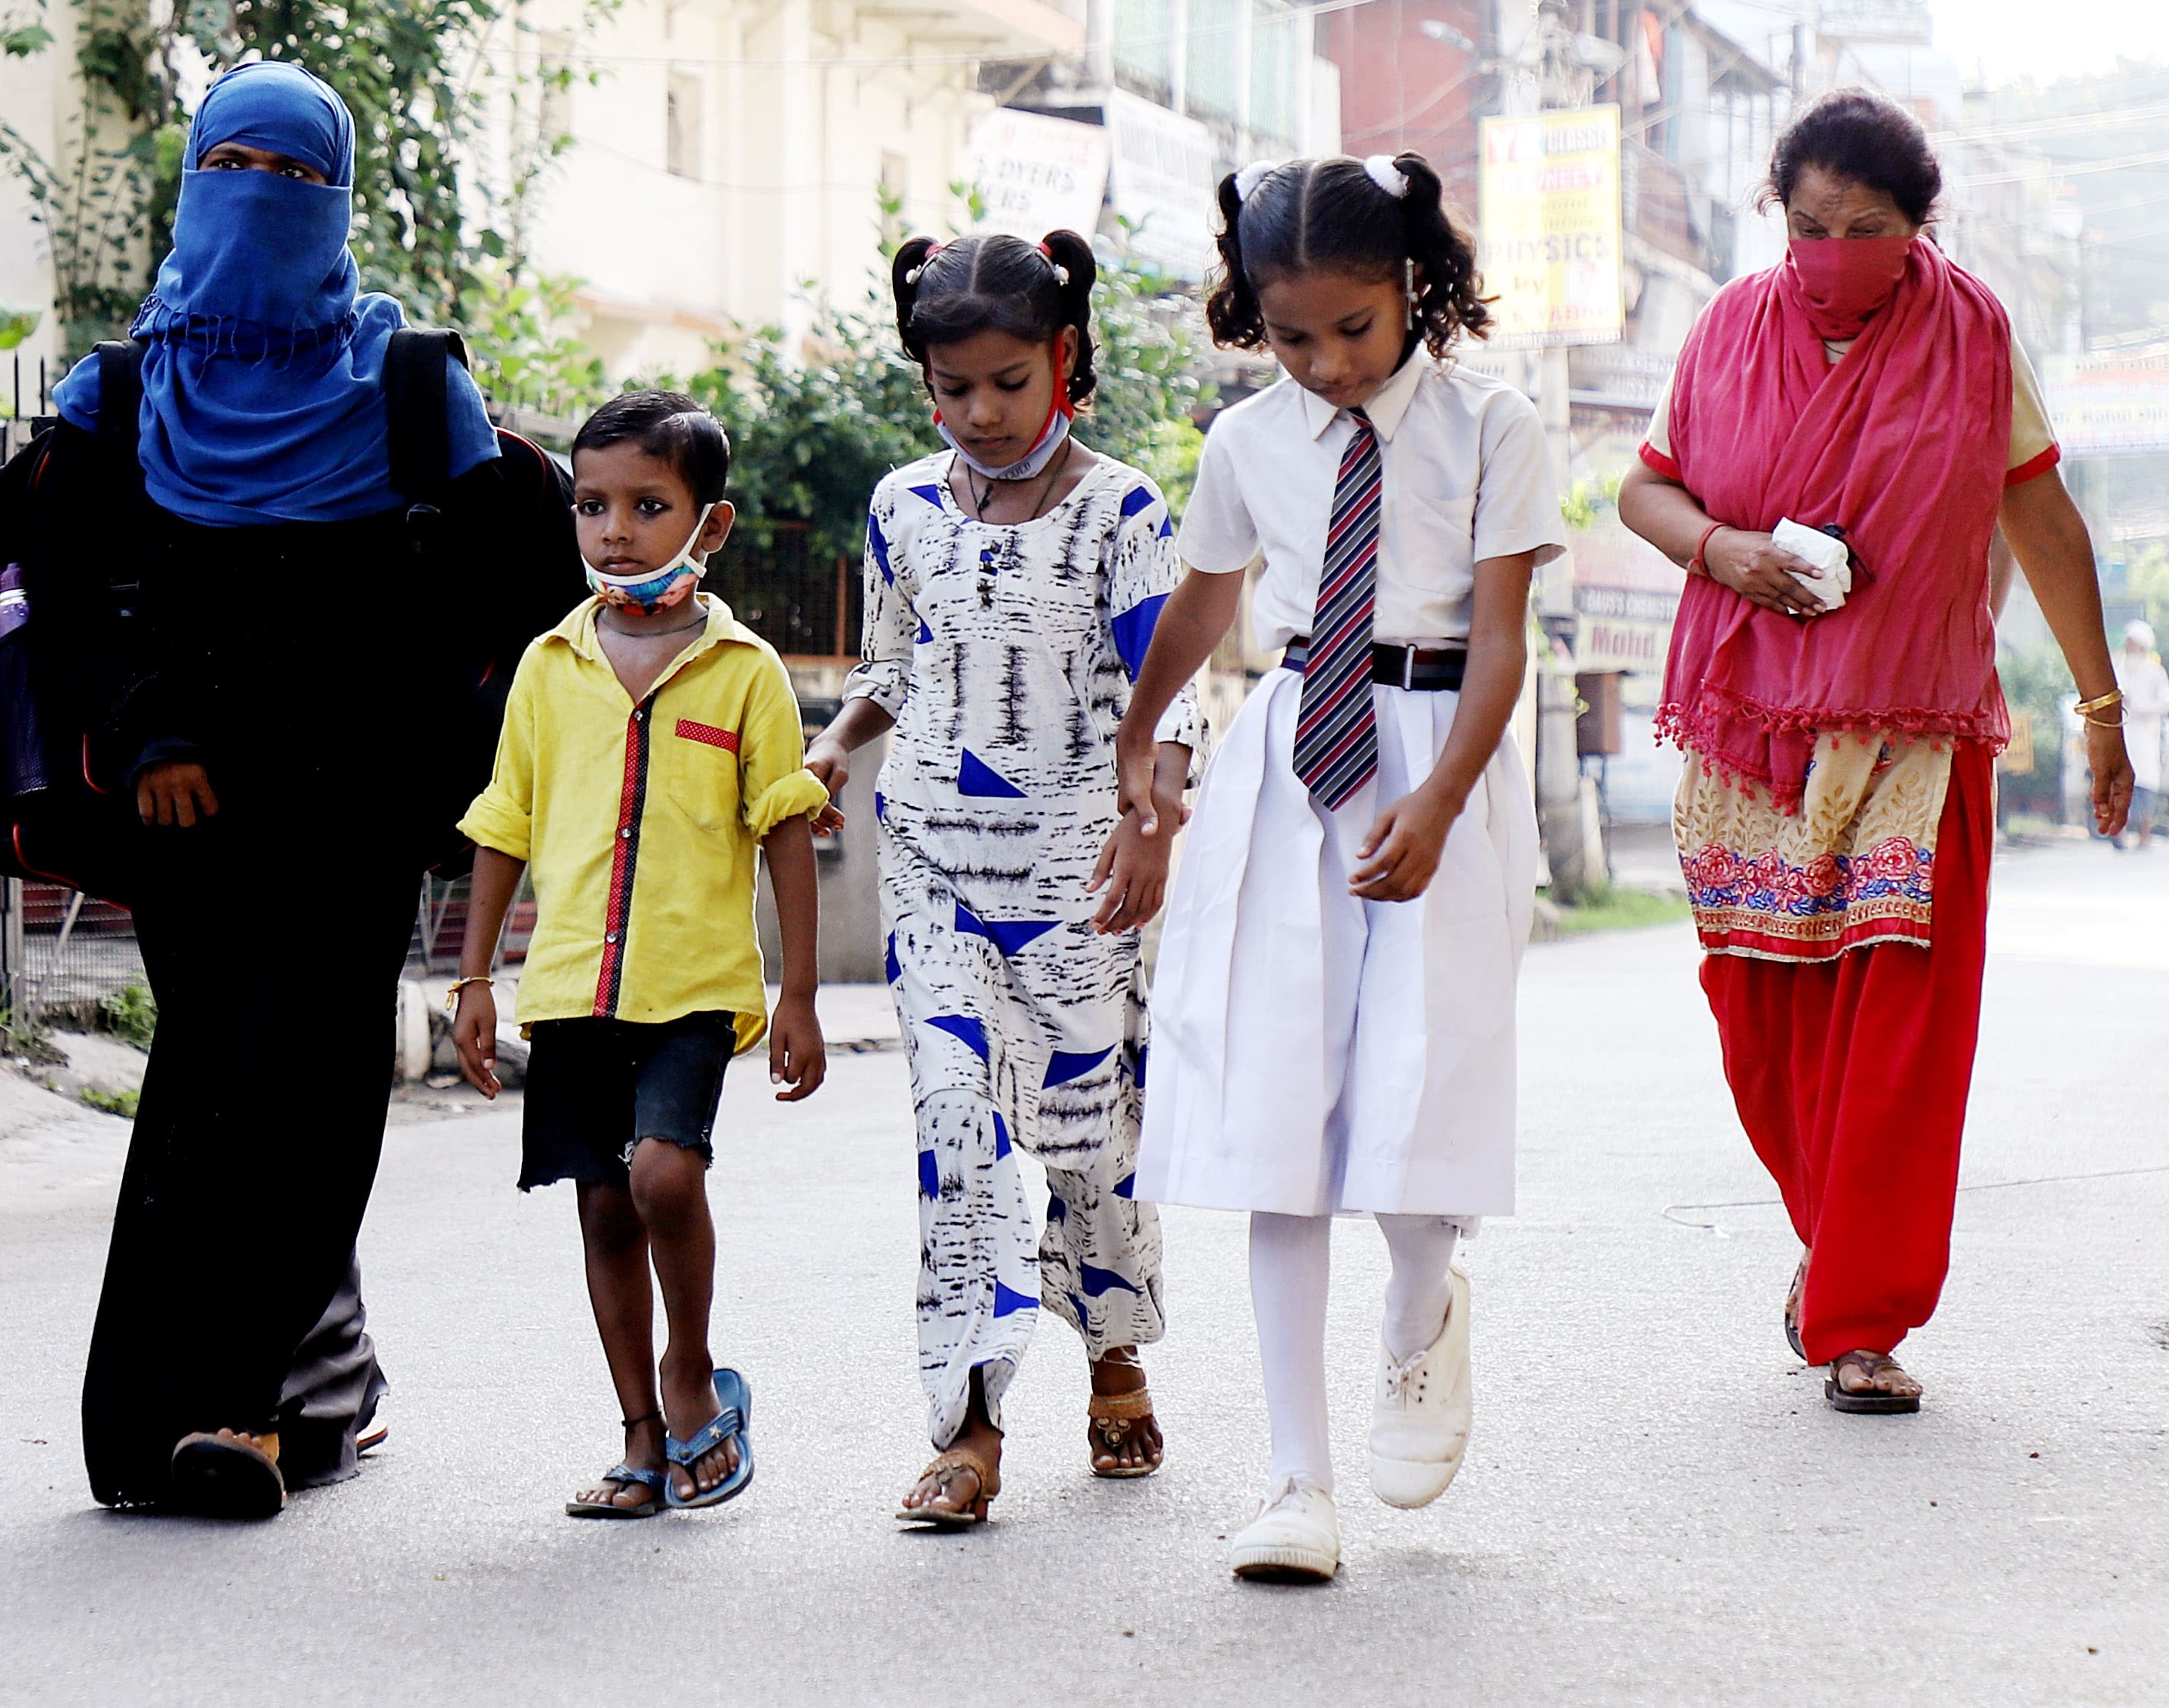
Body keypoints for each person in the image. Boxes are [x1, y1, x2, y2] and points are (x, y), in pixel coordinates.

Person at [1615, 87, 2134, 1418]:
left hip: (1918, 725)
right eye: (1811, 225)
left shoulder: (1975, 339)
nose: (1837, 251)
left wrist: (2101, 706)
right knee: (1764, 1024)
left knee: (1898, 1034)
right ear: (1775, 217)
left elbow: (2040, 515)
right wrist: (1722, 549)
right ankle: (1833, 1242)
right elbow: (1648, 484)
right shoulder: (1727, 332)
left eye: (1871, 227)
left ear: (1921, 225)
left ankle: (1860, 1315)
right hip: (1748, 726)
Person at [61, 61, 525, 1518]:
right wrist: (147, 735)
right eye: (233, 167)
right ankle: (310, 1386)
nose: (259, 197)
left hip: (354, 810)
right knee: (217, 1091)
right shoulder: (122, 389)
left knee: (306, 1089)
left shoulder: (408, 383)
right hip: (184, 806)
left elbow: (518, 589)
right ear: (194, 181)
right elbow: (74, 592)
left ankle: (245, 1409)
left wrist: (458, 777)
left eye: (293, 176)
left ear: (336, 201)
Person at [1117, 153, 1560, 1581]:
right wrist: (1143, 736)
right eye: (1288, 333)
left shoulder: (1496, 425)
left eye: (1350, 329)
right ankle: (1296, 1480)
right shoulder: (1248, 442)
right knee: (1277, 1128)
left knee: (1422, 1100)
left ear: (1416, 285)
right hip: (1294, 758)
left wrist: (1437, 798)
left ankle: (1420, 1309)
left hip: (1442, 751)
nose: (1320, 361)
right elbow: (1201, 602)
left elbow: (1501, 638)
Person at [801, 229, 1204, 1529]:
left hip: (1083, 872)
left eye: (1008, 382)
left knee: (1092, 1141)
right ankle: (967, 1424)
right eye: (954, 385)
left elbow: (1175, 684)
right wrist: (829, 747)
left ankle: (1115, 1350)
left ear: (1064, 360)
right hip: (934, 872)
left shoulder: (1125, 509)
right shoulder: (901, 506)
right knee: (953, 1131)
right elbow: (888, 665)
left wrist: (1155, 822)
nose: (980, 411)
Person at [450, 390, 829, 1518]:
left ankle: (691, 1368)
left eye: (648, 506)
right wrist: (476, 979)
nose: (615, 529)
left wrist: (797, 992)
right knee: (604, 1202)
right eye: (593, 504)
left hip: (692, 985)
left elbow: (788, 832)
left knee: (666, 1172)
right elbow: (501, 829)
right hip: (571, 987)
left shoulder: (746, 670)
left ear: (707, 527)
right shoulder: (546, 666)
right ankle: (638, 1430)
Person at [2115, 620, 2169, 847]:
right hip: (2123, 736)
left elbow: (2163, 705)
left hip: (2146, 739)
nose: (2129, 649)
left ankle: (2144, 835)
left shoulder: (2156, 673)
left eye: (2133, 645)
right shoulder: (2119, 670)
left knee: (2146, 786)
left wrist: (2137, 704)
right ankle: (2119, 835)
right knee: (2121, 788)